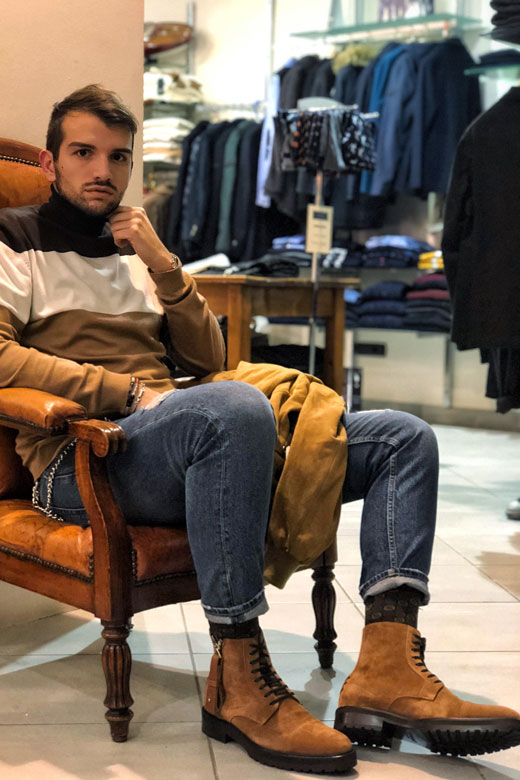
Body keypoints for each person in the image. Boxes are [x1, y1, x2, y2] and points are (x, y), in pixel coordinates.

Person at [0, 85, 518, 775]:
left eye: (118, 156)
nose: (103, 170)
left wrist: (164, 265)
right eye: (83, 153)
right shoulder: (15, 238)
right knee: (237, 407)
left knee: (402, 436)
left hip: (179, 434)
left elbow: (206, 357)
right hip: (82, 459)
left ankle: (387, 671)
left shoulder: (135, 246)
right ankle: (238, 677)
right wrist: (126, 391)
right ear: (50, 161)